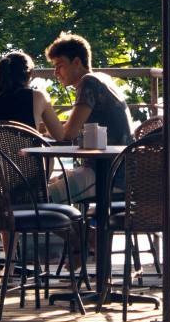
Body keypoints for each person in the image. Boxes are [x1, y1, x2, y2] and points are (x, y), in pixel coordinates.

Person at [44, 32, 132, 204]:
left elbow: (68, 134)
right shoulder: (102, 79)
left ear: (76, 62)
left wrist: (47, 127)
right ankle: (85, 232)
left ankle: (85, 232)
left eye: (59, 66)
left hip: (107, 174)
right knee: (46, 187)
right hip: (118, 170)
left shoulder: (88, 82)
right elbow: (73, 126)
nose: (55, 72)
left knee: (38, 198)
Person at [0, 50, 62, 137]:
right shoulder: (39, 97)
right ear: (28, 75)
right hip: (29, 152)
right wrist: (42, 136)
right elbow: (59, 135)